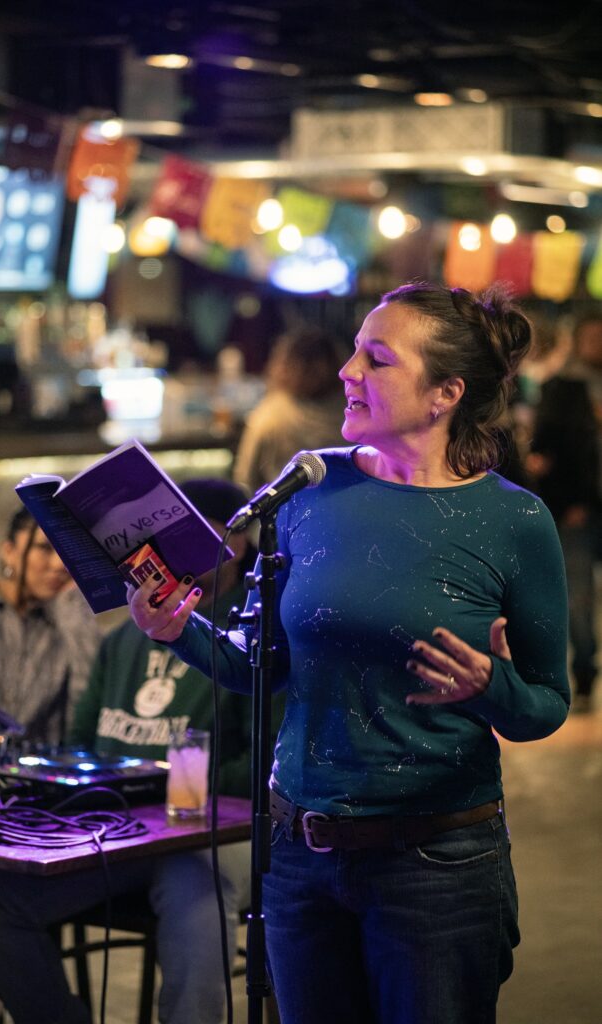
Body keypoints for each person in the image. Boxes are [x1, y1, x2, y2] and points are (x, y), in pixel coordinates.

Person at [128, 282, 570, 1024]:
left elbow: (544, 706)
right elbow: (256, 662)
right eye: (352, 353)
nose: (346, 372)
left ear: (443, 394)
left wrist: (490, 686)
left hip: (436, 865)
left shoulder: (513, 522)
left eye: (376, 359)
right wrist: (181, 632)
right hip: (302, 855)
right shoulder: (309, 487)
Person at [0, 479, 283, 1024]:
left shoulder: (255, 632)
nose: (166, 555)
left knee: (194, 877)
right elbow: (84, 745)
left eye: (187, 538)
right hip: (118, 830)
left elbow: (265, 770)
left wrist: (173, 788)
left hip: (208, 835)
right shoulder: (126, 637)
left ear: (230, 545)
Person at [0, 508, 101, 744]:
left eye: (67, 553)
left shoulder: (66, 624)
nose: (58, 564)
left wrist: (74, 613)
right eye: (44, 548)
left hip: (33, 773)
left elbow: (86, 710)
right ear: (9, 551)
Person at [527, 312, 602, 712]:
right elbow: (545, 451)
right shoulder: (561, 389)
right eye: (591, 336)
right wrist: (567, 500)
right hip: (579, 510)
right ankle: (586, 672)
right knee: (580, 596)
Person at [233, 323, 349, 494]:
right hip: (344, 511)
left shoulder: (270, 415)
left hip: (283, 516)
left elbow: (245, 479)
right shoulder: (355, 411)